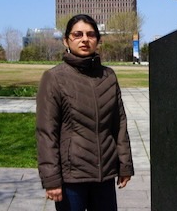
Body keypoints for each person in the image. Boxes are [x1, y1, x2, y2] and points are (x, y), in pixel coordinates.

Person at [36, 14, 134, 211]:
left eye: (90, 34)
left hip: (104, 174)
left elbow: (119, 124)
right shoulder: (54, 78)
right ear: (66, 40)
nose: (85, 39)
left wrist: (124, 165)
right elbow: (46, 132)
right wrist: (51, 179)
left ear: (98, 40)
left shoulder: (108, 76)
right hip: (72, 177)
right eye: (77, 34)